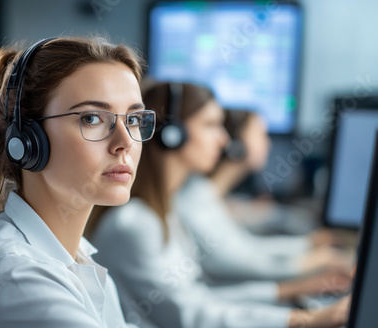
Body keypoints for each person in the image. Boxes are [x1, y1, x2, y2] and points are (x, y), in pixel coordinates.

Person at [0, 37, 156, 328]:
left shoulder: (74, 256)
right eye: (92, 118)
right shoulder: (14, 276)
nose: (125, 143)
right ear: (27, 140)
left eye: (133, 119)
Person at [88, 82, 351, 328]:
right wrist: (305, 318)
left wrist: (299, 298)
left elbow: (202, 297)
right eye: (211, 124)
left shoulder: (163, 212)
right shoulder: (135, 224)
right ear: (172, 135)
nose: (225, 140)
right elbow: (193, 314)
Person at [175, 109, 352, 281]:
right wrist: (313, 260)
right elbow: (238, 261)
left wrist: (308, 244)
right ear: (237, 142)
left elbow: (246, 247)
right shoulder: (196, 200)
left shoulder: (210, 195)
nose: (268, 143)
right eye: (261, 135)